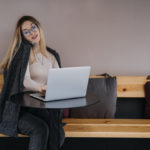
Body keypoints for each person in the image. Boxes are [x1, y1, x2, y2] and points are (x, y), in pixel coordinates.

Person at [0, 16, 65, 150]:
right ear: (22, 36)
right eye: (26, 31)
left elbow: (59, 78)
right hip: (20, 110)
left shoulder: (51, 55)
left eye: (33, 27)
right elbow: (25, 80)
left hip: (41, 107)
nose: (32, 32)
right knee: (40, 129)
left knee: (57, 132)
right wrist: (40, 87)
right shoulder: (21, 54)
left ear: (39, 28)